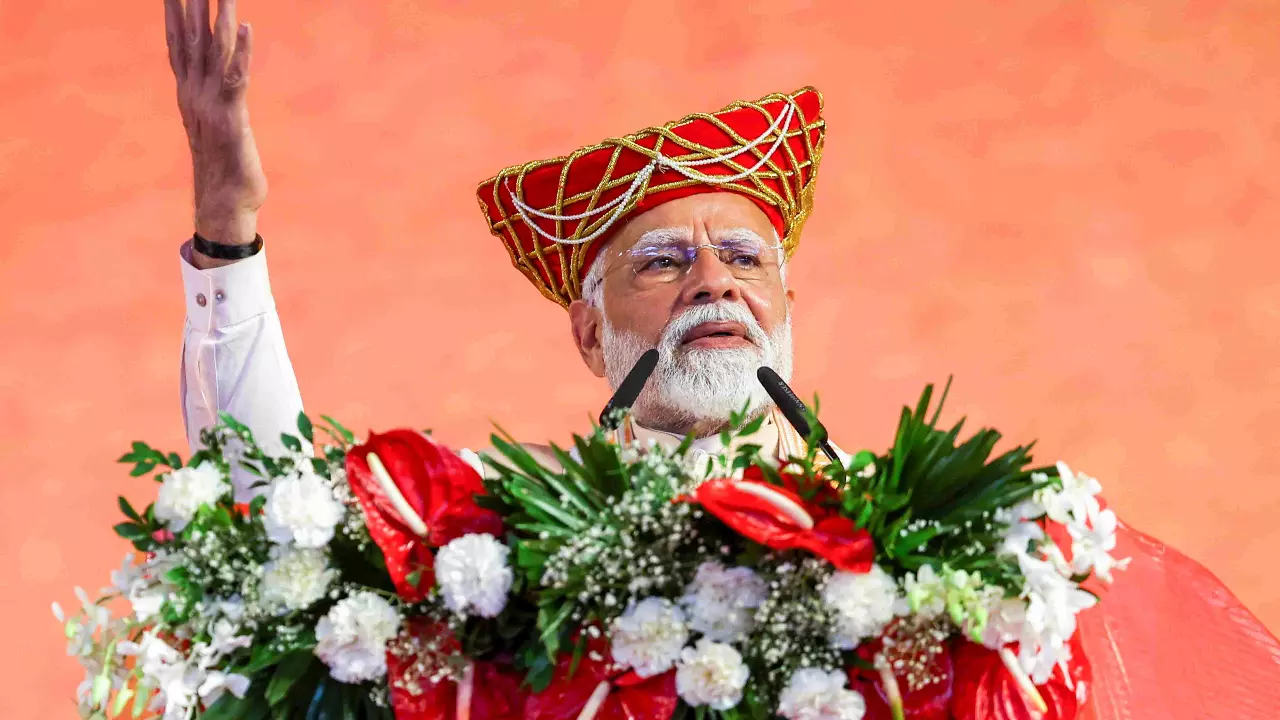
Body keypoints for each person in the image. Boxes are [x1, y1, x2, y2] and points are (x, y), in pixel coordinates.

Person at [161, 1, 1280, 718]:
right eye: (661, 262)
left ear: (784, 305)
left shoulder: (952, 560)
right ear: (592, 334)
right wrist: (229, 226)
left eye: (743, 256)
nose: (713, 280)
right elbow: (278, 537)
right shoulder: (497, 562)